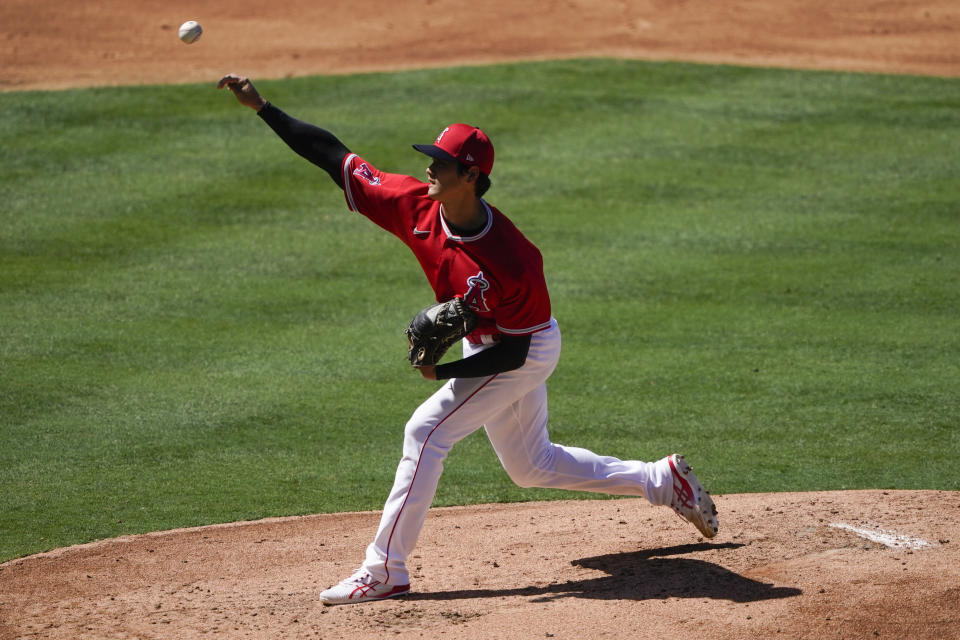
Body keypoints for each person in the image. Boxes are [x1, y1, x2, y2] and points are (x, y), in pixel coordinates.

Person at [217, 74, 719, 606]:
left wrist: (444, 372)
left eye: (440, 162)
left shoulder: (514, 260)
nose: (428, 168)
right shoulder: (413, 205)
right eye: (430, 158)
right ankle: (661, 480)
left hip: (524, 348)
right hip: (491, 345)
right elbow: (332, 154)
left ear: (471, 175)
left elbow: (518, 353)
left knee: (426, 432)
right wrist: (263, 108)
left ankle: (385, 568)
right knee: (532, 467)